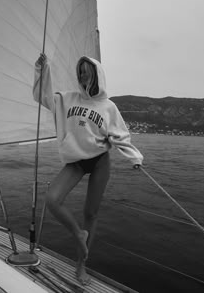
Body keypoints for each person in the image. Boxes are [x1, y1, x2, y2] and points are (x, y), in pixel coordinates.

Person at [33, 54, 143, 285]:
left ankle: (81, 266)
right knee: (52, 199)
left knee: (90, 214)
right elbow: (42, 96)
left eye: (87, 70)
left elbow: (120, 135)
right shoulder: (67, 99)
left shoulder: (108, 106)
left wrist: (134, 158)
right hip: (76, 161)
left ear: (96, 73)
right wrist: (43, 71)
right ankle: (77, 232)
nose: (83, 74)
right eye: (80, 70)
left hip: (100, 160)